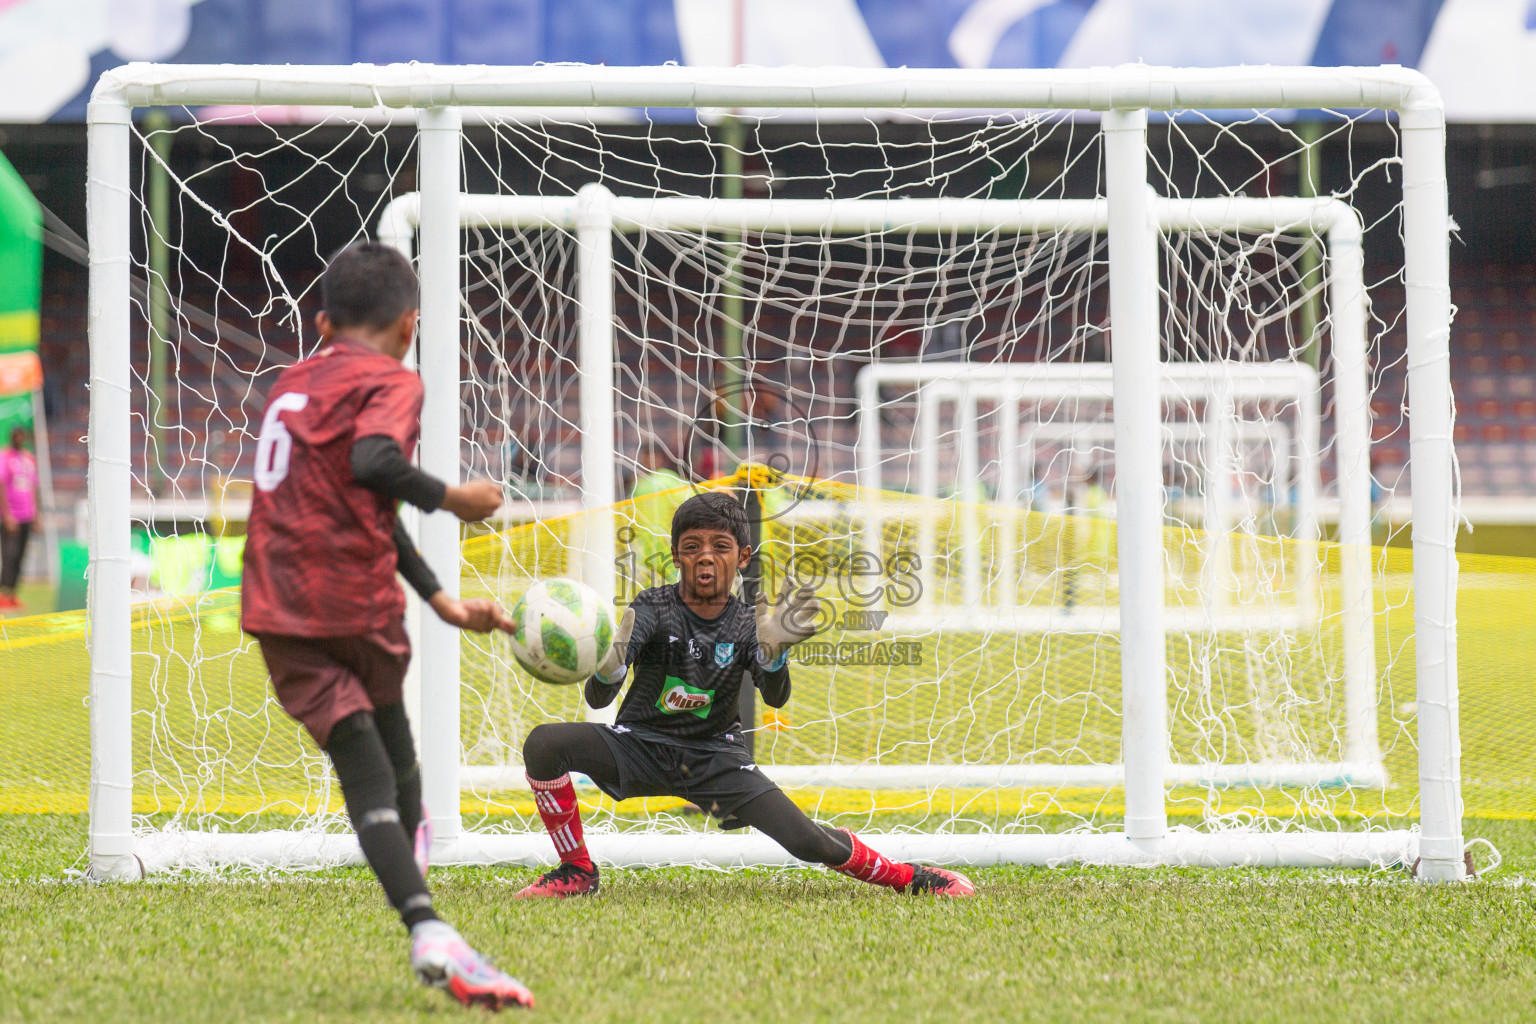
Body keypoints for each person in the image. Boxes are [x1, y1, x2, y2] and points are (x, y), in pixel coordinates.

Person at [240, 243, 533, 1011]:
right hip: (348, 595)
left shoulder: (292, 381)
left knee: (368, 754)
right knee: (387, 758)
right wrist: (454, 498)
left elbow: (357, 491)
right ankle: (430, 925)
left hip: (274, 601)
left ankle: (417, 889)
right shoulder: (392, 379)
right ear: (409, 327)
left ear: (322, 321)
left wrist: (440, 599)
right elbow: (374, 463)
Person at [512, 490, 975, 899]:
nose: (706, 557)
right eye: (692, 547)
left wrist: (773, 656)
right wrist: (610, 669)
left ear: (744, 557)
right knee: (544, 744)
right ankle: (576, 871)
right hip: (639, 747)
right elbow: (596, 700)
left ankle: (911, 877)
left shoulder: (749, 621)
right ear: (676, 556)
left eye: (721, 547)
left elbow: (774, 698)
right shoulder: (652, 606)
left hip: (716, 759)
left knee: (809, 843)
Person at [0, 426, 38, 610]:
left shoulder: (29, 458)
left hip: (27, 515)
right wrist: (7, 515)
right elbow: (1, 485)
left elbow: (34, 486)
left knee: (21, 555)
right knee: (10, 554)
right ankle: (3, 593)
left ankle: (13, 592)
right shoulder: (5, 457)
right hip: (10, 517)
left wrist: (37, 515)